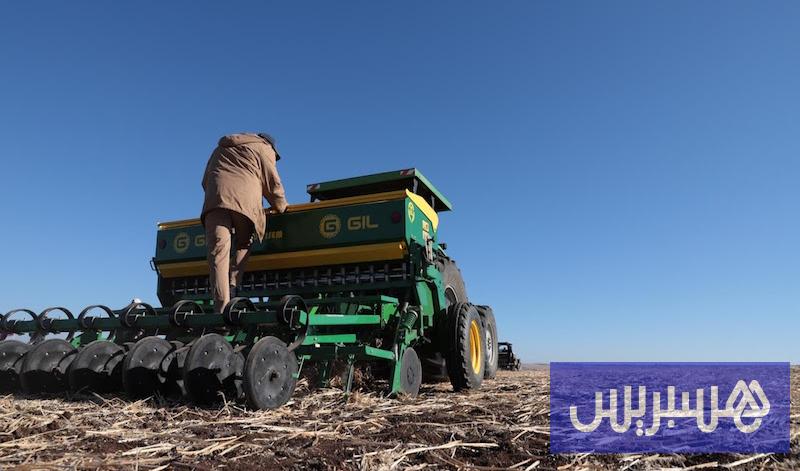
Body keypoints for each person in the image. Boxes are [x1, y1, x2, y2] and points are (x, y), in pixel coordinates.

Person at [201, 132, 288, 310]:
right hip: (244, 204)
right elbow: (273, 182)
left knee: (218, 255)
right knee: (244, 243)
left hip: (215, 202)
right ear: (271, 146)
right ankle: (233, 283)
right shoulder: (263, 147)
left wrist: (220, 195)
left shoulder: (219, 149)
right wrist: (280, 205)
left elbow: (205, 181)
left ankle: (221, 309)